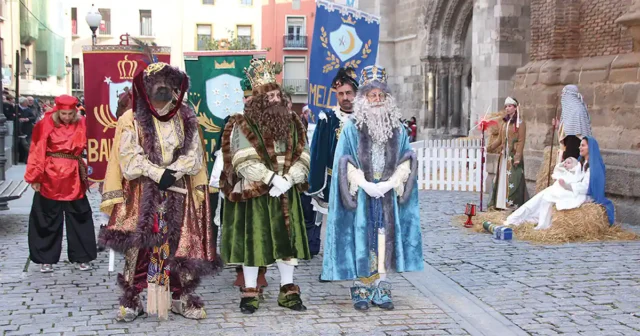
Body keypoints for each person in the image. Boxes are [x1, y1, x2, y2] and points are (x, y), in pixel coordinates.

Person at [98, 61, 217, 322]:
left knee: (180, 244)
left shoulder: (186, 117)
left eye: (169, 84)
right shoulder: (131, 118)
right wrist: (156, 173)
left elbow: (194, 154)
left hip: (178, 192)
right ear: (146, 87)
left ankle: (179, 296)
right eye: (157, 84)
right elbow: (128, 158)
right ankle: (133, 298)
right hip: (142, 192)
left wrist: (173, 172)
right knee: (140, 246)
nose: (163, 89)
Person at [321, 65, 424, 311]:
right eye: (372, 95)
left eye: (381, 95)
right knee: (360, 239)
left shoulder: (398, 128)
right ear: (364, 98)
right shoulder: (351, 127)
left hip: (388, 193)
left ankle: (381, 285)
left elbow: (407, 158)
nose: (376, 100)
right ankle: (361, 287)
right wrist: (364, 184)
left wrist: (391, 183)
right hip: (362, 194)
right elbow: (343, 160)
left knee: (384, 238)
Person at [220, 58, 311, 314]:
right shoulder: (242, 123)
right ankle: (250, 291)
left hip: (286, 191)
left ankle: (288, 289)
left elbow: (305, 154)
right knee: (253, 242)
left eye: (276, 94)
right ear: (259, 99)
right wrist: (271, 179)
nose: (274, 99)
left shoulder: (294, 122)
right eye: (268, 95)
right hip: (256, 192)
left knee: (287, 241)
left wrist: (289, 178)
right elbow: (241, 158)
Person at [209, 75, 270, 294]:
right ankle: (243, 272)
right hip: (238, 183)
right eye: (245, 98)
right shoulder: (233, 122)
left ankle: (260, 271)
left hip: (265, 184)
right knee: (240, 229)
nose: (248, 102)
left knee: (263, 228)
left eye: (252, 97)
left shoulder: (271, 122)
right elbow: (223, 153)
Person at [24, 95, 97, 273]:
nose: (67, 117)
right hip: (50, 175)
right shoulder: (45, 124)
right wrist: (35, 177)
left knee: (80, 215)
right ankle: (45, 259)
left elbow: (95, 145)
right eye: (64, 114)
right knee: (46, 217)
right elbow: (37, 149)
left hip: (74, 174)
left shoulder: (83, 123)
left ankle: (82, 256)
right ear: (58, 111)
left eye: (70, 114)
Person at [505, 137, 615, 229]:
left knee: (549, 196)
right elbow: (575, 176)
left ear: (590, 148)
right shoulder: (582, 162)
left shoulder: (593, 167)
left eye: (583, 145)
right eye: (580, 145)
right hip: (575, 189)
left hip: (584, 194)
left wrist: (568, 186)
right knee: (546, 193)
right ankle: (519, 218)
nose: (580, 147)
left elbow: (586, 187)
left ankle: (541, 224)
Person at [307, 67, 359, 257]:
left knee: (357, 221)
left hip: (360, 181)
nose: (345, 97)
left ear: (356, 94)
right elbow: (317, 153)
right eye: (341, 94)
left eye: (349, 93)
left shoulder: (364, 118)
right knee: (332, 223)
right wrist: (315, 184)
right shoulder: (327, 119)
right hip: (333, 181)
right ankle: (332, 262)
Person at [488, 97, 528, 210]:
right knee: (502, 178)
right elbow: (499, 140)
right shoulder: (504, 123)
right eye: (506, 106)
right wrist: (488, 148)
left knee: (514, 179)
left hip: (513, 156)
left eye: (510, 106)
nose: (507, 108)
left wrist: (517, 157)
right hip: (504, 156)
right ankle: (500, 203)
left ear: (515, 108)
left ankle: (512, 203)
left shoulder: (520, 123)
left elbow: (521, 141)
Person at [558, 85, 592, 161]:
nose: (562, 96)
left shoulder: (577, 111)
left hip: (574, 147)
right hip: (570, 145)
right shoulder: (572, 110)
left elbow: (574, 134)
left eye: (563, 93)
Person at [16, 97, 36, 163]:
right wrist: (18, 118)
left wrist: (28, 119)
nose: (28, 103)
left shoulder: (28, 109)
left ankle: (28, 159)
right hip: (20, 130)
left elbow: (34, 117)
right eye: (26, 102)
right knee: (25, 144)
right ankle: (33, 156)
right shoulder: (16, 108)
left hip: (28, 129)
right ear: (23, 103)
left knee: (28, 144)